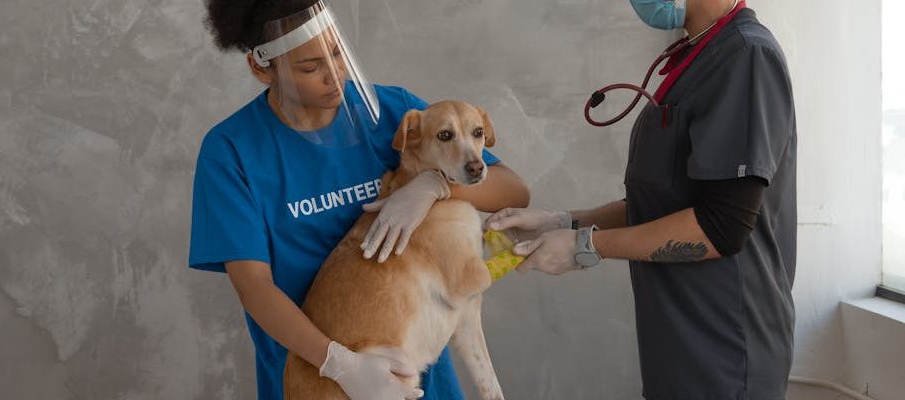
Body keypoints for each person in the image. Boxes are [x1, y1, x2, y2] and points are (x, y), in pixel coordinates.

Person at [188, 1, 530, 399]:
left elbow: (512, 189)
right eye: (310, 67)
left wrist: (435, 185)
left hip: (415, 373)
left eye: (337, 53)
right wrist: (340, 364)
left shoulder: (391, 112)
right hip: (317, 377)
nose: (334, 75)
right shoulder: (232, 152)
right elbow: (255, 290)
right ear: (262, 69)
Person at [487, 0, 797, 399]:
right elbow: (664, 204)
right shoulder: (696, 56)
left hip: (727, 348)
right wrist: (563, 222)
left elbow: (722, 226)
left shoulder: (746, 56)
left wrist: (586, 247)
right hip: (678, 346)